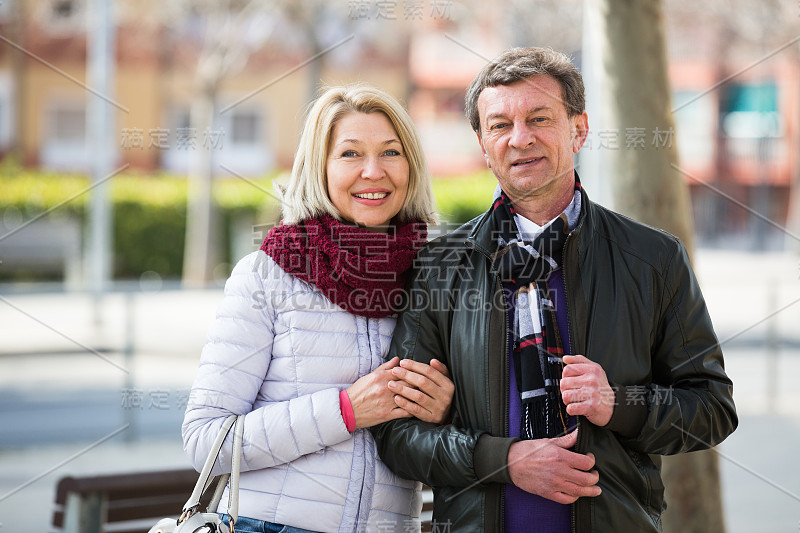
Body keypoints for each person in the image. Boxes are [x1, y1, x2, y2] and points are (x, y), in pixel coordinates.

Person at [372, 47, 738, 532]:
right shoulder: (440, 266)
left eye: (539, 118)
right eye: (500, 125)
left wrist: (619, 404)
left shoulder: (653, 260)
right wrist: (504, 459)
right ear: (483, 144)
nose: (520, 138)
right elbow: (397, 436)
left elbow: (712, 408)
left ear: (579, 129)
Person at [182, 84, 455, 533]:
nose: (373, 171)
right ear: (320, 167)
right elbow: (205, 439)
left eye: (391, 152)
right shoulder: (267, 275)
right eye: (350, 154)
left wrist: (446, 412)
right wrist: (345, 410)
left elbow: (450, 448)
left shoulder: (435, 278)